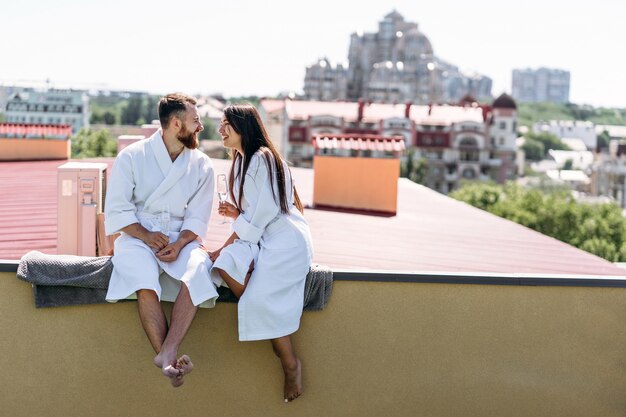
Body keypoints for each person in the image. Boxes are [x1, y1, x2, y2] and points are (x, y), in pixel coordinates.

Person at [104, 93, 219, 387]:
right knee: (143, 278)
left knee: (196, 269)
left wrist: (180, 244)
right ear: (176, 123)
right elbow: (117, 209)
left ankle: (167, 352)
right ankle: (167, 359)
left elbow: (198, 217)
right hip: (137, 234)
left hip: (181, 237)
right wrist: (145, 235)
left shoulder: (203, 165)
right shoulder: (132, 156)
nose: (200, 127)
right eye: (195, 121)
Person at [208, 104, 313, 402]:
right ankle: (272, 326)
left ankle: (290, 364)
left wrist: (233, 227)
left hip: (285, 243)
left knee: (256, 298)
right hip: (266, 239)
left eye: (226, 123)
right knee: (224, 264)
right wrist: (228, 235)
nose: (220, 130)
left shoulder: (262, 158)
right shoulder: (241, 162)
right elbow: (253, 215)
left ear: (243, 125)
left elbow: (265, 212)